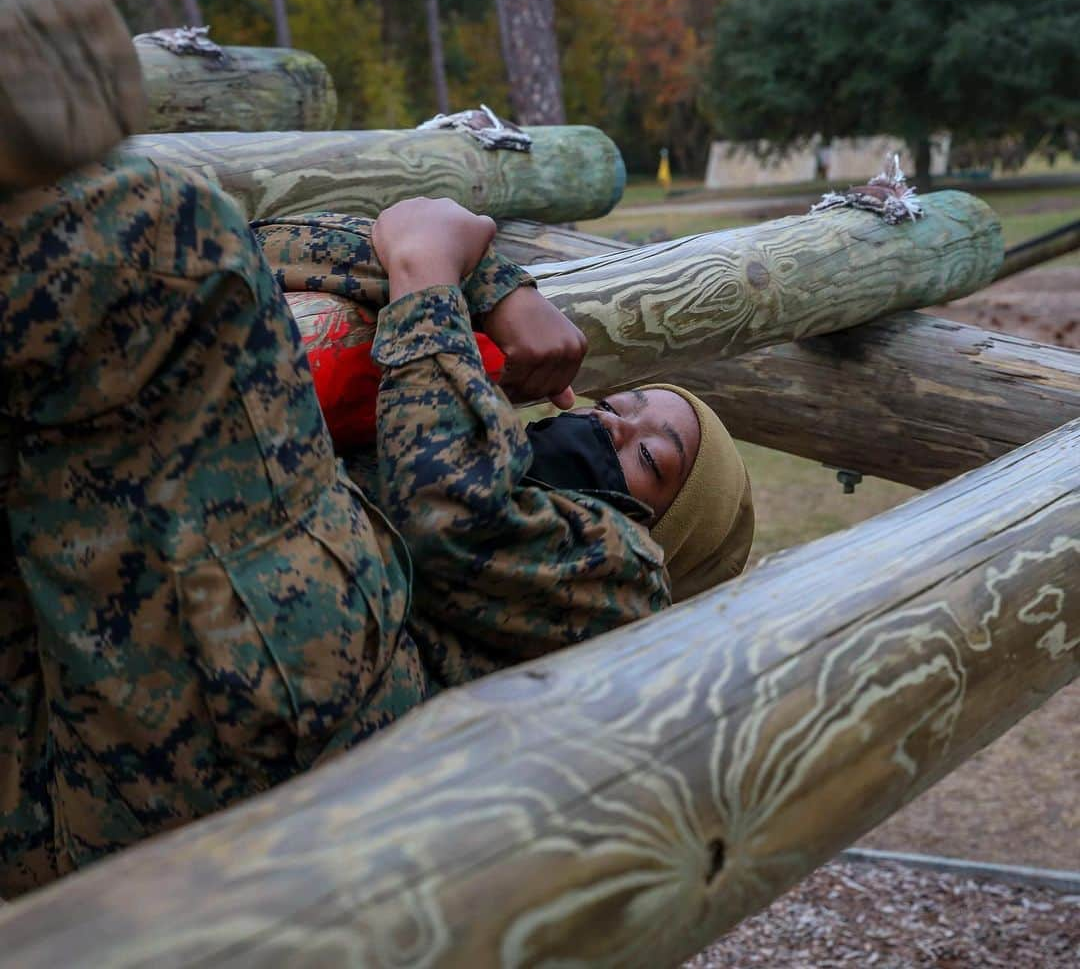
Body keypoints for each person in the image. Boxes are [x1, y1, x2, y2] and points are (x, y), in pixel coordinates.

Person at [0, 160, 752, 899]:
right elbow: (260, 242)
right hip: (72, 772)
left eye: (651, 455)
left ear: (668, 529)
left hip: (246, 766)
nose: (613, 426)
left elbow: (450, 516)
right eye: (623, 406)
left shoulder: (625, 586)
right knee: (146, 227)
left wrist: (429, 280)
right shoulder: (447, 417)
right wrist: (494, 287)